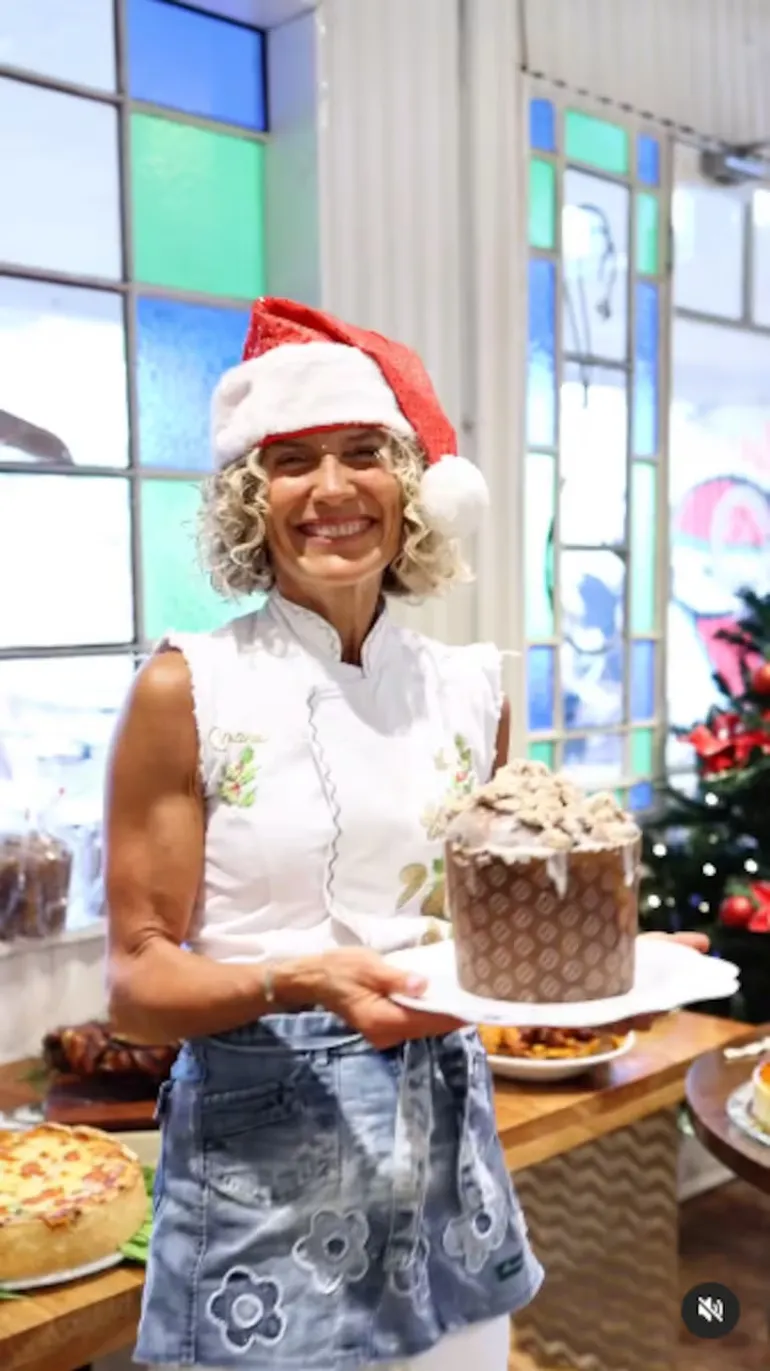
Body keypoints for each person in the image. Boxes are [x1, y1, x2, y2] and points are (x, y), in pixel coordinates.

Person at [105, 298, 705, 1371]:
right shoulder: (185, 686)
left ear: (409, 490)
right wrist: (300, 980)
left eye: (359, 455)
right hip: (260, 1144)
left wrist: (609, 965)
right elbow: (139, 981)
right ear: (253, 499)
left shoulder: (470, 691)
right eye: (291, 462)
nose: (330, 489)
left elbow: (486, 925)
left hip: (439, 1140)